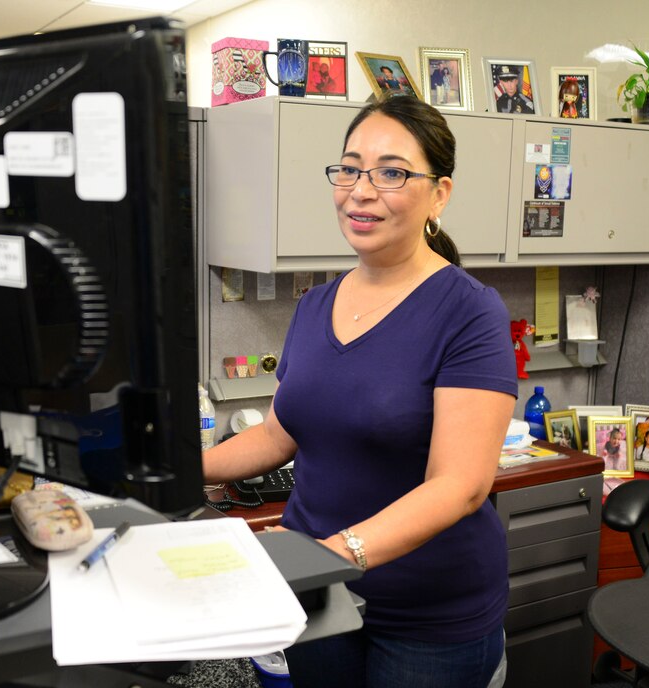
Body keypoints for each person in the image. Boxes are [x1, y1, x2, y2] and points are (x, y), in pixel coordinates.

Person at [203, 95, 517, 687]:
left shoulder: (469, 311)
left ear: (439, 194)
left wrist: (331, 555)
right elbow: (277, 433)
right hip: (320, 597)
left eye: (392, 172)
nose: (361, 190)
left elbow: (461, 484)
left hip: (427, 613)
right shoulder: (316, 303)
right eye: (349, 168)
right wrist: (178, 470)